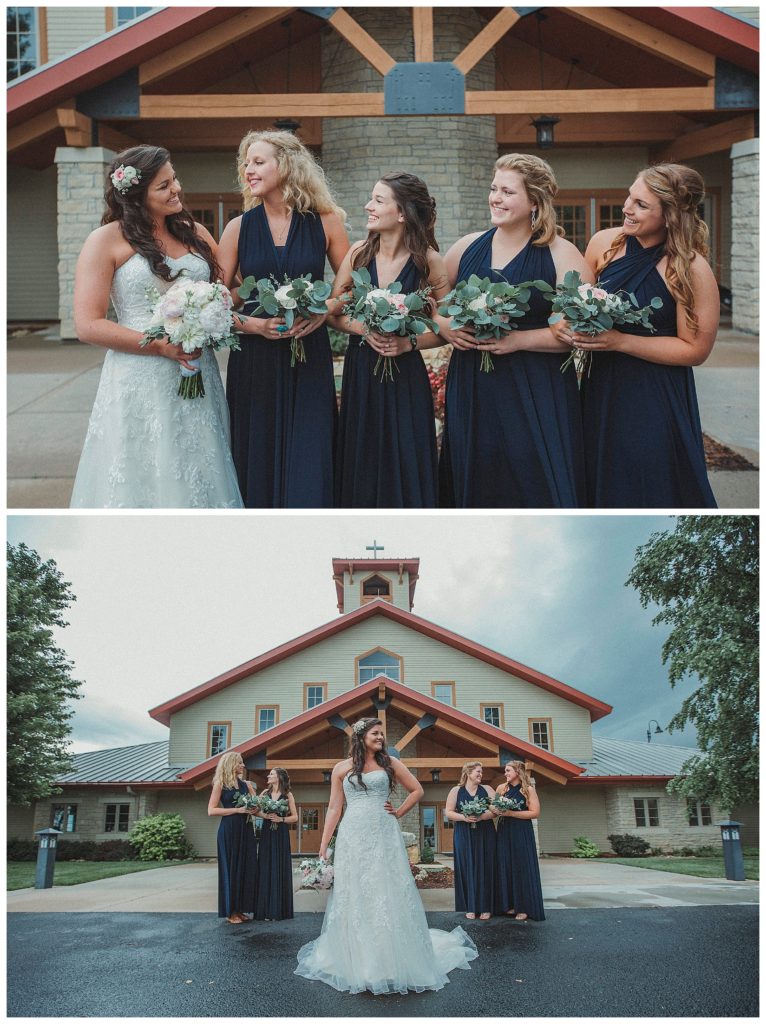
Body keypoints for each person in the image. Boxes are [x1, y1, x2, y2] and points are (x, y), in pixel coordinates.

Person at [71, 145, 243, 508]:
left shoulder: (194, 232)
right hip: (139, 375)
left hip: (198, 369)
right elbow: (88, 324)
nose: (176, 188)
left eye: (174, 178)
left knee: (200, 465)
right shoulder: (104, 241)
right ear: (136, 195)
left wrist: (208, 313)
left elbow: (231, 288)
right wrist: (161, 344)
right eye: (163, 185)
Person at [552, 163, 719, 508]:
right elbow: (571, 303)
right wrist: (563, 323)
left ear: (672, 215)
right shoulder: (603, 244)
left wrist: (621, 341)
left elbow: (696, 350)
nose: (627, 207)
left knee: (648, 479)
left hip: (654, 395)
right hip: (601, 387)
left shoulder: (690, 268)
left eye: (641, 204)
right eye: (630, 196)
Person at [438, 153, 591, 508]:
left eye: (507, 192)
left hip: (536, 385)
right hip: (474, 383)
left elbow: (579, 328)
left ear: (534, 201)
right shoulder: (466, 247)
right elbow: (436, 306)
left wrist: (518, 340)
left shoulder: (561, 254)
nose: (495, 198)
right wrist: (447, 327)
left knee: (533, 472)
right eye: (494, 189)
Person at [295, 718, 477, 995]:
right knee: (356, 890)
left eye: (382, 733)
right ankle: (356, 956)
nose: (381, 737)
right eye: (375, 733)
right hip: (353, 834)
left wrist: (399, 812)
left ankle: (390, 959)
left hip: (383, 832)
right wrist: (324, 843)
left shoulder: (389, 763)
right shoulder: (341, 768)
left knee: (384, 888)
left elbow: (417, 790)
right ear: (361, 736)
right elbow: (334, 808)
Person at [218, 130, 349, 507]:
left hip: (309, 355)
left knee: (311, 449)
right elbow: (215, 301)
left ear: (287, 165)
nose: (248, 170)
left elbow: (350, 287)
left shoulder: (326, 222)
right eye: (246, 163)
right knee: (255, 449)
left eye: (258, 162)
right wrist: (253, 325)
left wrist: (323, 311)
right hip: (254, 362)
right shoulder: (238, 228)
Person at [330, 172, 450, 508]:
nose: (368, 206)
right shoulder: (357, 255)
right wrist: (364, 330)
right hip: (362, 369)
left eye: (378, 200)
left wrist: (408, 343)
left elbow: (447, 327)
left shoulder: (428, 260)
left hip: (405, 373)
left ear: (402, 213)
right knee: (362, 452)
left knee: (406, 452)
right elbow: (332, 312)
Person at [208, 751, 259, 924]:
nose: (243, 766)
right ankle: (230, 912)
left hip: (246, 829)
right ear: (231, 764)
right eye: (240, 763)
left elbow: (256, 806)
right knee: (231, 869)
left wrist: (254, 803)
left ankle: (241, 909)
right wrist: (237, 810)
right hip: (229, 830)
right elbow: (212, 810)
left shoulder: (245, 784)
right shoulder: (220, 784)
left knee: (246, 868)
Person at [492, 760, 545, 921]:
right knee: (505, 864)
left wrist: (512, 813)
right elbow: (493, 807)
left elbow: (535, 813)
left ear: (517, 771)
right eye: (505, 771)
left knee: (521, 866)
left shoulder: (528, 789)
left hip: (521, 831)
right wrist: (497, 809)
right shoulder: (501, 788)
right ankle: (509, 904)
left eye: (508, 770)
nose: (506, 773)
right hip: (504, 831)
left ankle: (524, 907)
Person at [445, 761, 497, 920]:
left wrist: (481, 816)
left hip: (485, 833)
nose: (480, 774)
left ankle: (486, 907)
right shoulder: (456, 791)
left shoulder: (487, 789)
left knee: (486, 867)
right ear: (468, 773)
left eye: (481, 772)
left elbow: (496, 811)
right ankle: (470, 907)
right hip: (463, 833)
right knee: (466, 867)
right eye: (478, 772)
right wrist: (464, 817)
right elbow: (448, 812)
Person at [254, 767, 298, 921]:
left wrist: (281, 819)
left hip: (281, 834)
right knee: (265, 866)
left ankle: (279, 910)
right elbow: (255, 810)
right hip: (267, 833)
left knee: (278, 866)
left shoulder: (288, 795)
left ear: (279, 777)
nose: (268, 775)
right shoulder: (264, 794)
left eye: (271, 774)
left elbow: (295, 817)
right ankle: (264, 910)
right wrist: (265, 815)